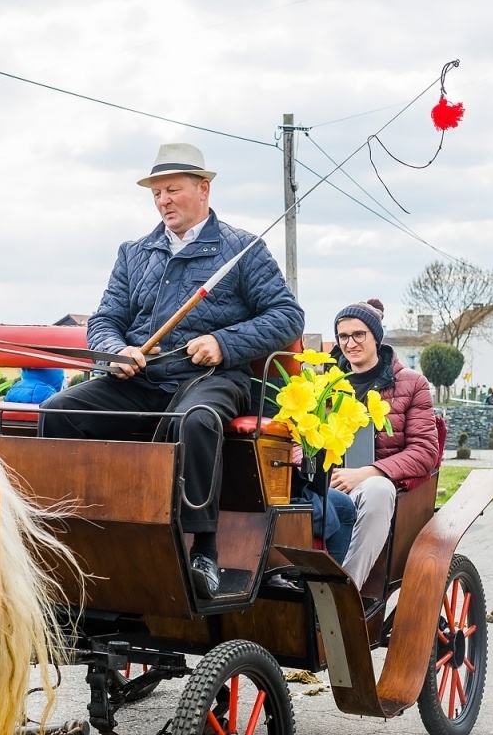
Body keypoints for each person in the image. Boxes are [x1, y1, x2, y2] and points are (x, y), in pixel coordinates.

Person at [39, 143, 304, 597]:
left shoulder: (244, 251)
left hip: (213, 379)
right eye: (157, 192)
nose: (163, 201)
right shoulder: (134, 252)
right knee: (58, 412)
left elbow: (286, 316)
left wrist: (223, 343)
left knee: (196, 421)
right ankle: (70, 537)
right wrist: (115, 351)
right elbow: (104, 321)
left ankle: (202, 550)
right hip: (142, 380)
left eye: (172, 190)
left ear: (203, 189)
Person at [328, 300, 441, 588]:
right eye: (343, 336)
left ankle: (346, 588)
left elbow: (425, 451)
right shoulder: (325, 385)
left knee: (378, 490)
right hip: (329, 480)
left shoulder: (412, 383)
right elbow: (300, 437)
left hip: (379, 483)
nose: (350, 343)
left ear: (376, 337)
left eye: (358, 334)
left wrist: (370, 472)